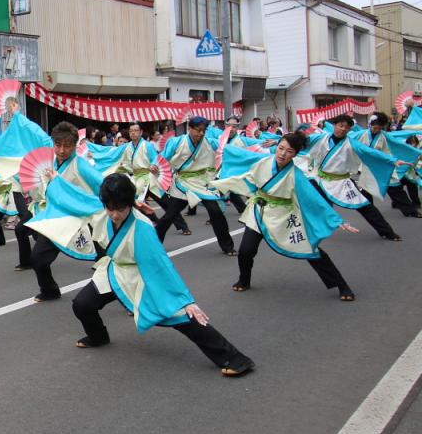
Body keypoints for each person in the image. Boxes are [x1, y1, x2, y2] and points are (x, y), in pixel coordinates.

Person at [65, 174, 255, 377]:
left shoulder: (142, 229)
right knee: (82, 304)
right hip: (115, 271)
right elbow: (75, 198)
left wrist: (185, 300)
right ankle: (98, 336)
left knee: (179, 314)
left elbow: (161, 267)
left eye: (120, 209)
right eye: (110, 208)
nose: (114, 214)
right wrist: (53, 183)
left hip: (141, 275)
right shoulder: (104, 210)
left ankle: (235, 358)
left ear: (130, 204)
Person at [213, 132, 355, 301]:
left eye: (288, 151)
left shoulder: (296, 175)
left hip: (284, 216)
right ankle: (244, 280)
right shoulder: (262, 162)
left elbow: (313, 199)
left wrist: (336, 220)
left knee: (310, 249)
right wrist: (219, 149)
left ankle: (342, 285)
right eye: (280, 148)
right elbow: (237, 155)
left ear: (295, 154)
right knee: (246, 250)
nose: (282, 153)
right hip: (259, 211)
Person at [25, 122, 105, 302]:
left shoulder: (81, 166)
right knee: (38, 258)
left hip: (82, 219)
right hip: (57, 219)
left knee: (108, 260)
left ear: (75, 145)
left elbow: (104, 185)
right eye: (58, 145)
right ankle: (50, 290)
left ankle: (130, 300)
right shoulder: (49, 164)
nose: (61, 150)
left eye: (67, 146)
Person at [304, 114, 403, 241]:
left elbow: (370, 152)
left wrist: (392, 161)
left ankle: (387, 232)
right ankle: (312, 231)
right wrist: (279, 141)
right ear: (334, 125)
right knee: (314, 203)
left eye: (347, 127)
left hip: (341, 181)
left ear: (350, 129)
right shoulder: (321, 138)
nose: (343, 129)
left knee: (365, 205)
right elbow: (300, 141)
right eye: (341, 126)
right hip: (320, 179)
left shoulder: (351, 143)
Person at [0, 96, 53, 270]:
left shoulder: (42, 153)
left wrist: (17, 114)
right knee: (22, 229)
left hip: (47, 203)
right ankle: (27, 261)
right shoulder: (17, 163)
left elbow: (36, 134)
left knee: (42, 235)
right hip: (30, 203)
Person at [155, 116, 236, 255]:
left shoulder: (210, 142)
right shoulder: (177, 142)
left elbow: (228, 150)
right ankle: (154, 245)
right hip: (183, 183)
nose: (201, 133)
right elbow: (163, 157)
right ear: (190, 128)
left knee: (215, 212)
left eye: (204, 130)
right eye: (198, 130)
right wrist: (155, 166)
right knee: (170, 215)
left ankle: (227, 246)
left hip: (201, 182)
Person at [358, 112, 422, 218]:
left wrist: (416, 152)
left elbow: (399, 144)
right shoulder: (361, 134)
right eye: (375, 128)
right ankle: (370, 211)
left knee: (395, 187)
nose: (377, 130)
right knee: (366, 189)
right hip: (367, 166)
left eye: (380, 128)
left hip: (384, 165)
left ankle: (410, 211)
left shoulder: (384, 135)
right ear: (370, 125)